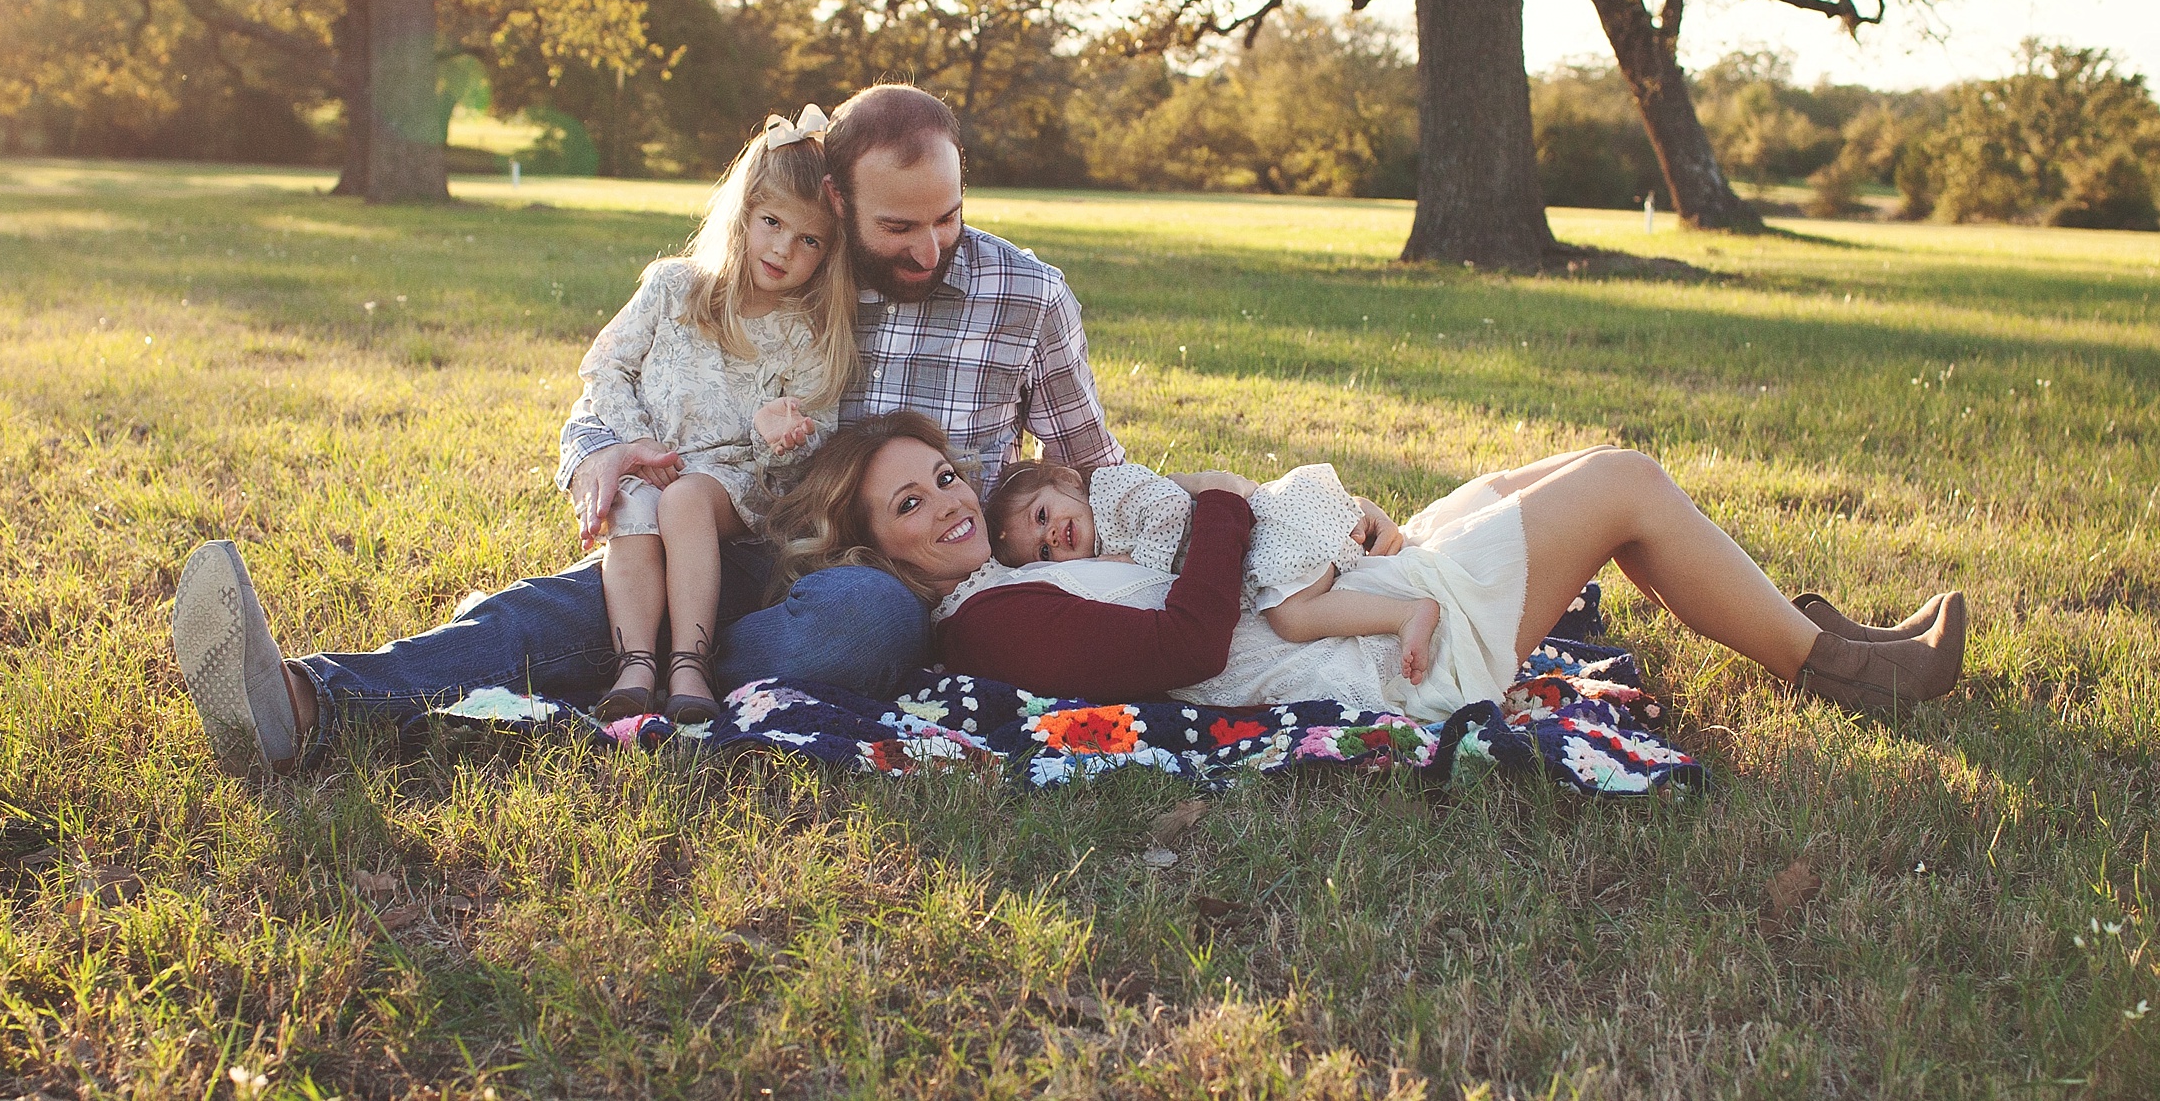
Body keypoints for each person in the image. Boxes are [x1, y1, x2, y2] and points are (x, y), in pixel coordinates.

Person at [171, 84, 1124, 779]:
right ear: (832, 202)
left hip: (892, 580)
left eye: (950, 218)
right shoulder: (776, 282)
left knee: (854, 625)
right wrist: (593, 452)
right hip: (741, 528)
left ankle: (661, 664)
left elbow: (1093, 464)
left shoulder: (1025, 295)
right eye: (898, 226)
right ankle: (306, 699)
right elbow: (627, 377)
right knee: (575, 600)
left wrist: (1187, 541)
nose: (928, 249)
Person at [767, 412, 1968, 722]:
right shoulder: (992, 624)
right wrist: (1232, 506)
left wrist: (1309, 524)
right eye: (910, 503)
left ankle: (1824, 634)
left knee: (1513, 483)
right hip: (1376, 659)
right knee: (1625, 482)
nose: (950, 504)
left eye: (946, 477)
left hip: (1333, 603)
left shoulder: (1018, 573)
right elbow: (1185, 646)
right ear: (879, 547)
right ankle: (1840, 666)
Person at [577, 107, 858, 722]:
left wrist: (777, 437)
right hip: (650, 462)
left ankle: (689, 663)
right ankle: (635, 665)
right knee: (635, 501)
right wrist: (635, 445)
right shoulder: (672, 288)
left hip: (739, 483)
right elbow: (606, 367)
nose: (783, 248)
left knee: (682, 500)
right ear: (743, 215)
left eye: (808, 239)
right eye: (772, 222)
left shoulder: (806, 335)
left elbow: (818, 444)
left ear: (828, 252)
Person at [985, 458, 1445, 688]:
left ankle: (1405, 615)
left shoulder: (1110, 489)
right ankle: (1365, 545)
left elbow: (1169, 506)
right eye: (1043, 551)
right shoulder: (1099, 537)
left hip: (1271, 528)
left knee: (1290, 617)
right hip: (1260, 540)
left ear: (1065, 482)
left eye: (1043, 515)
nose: (1054, 537)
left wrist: (1138, 562)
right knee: (1289, 608)